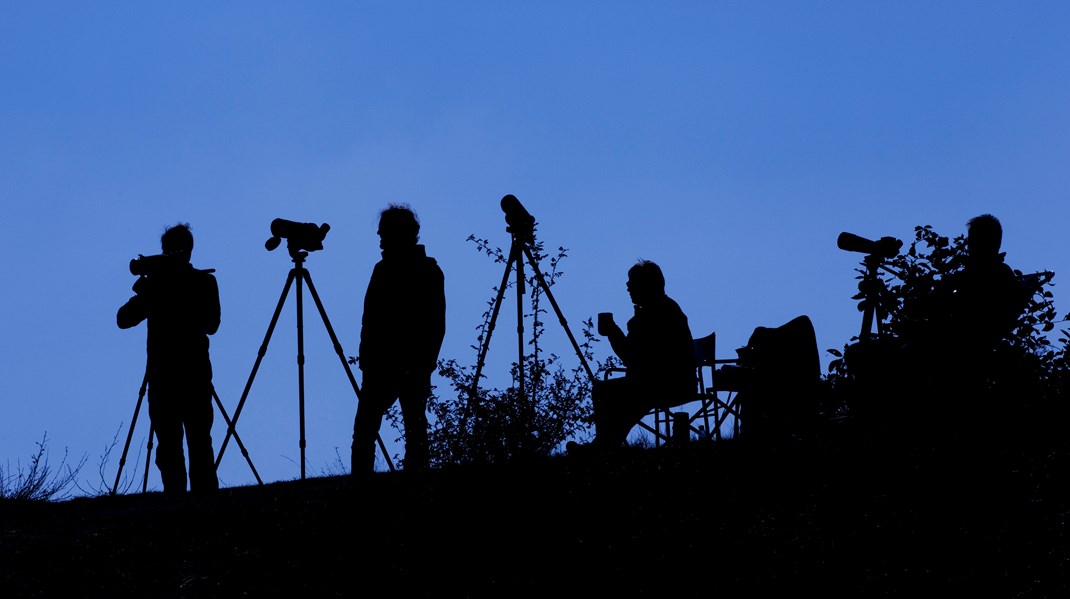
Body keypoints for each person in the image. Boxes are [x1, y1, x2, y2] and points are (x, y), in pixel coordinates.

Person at [117, 223, 221, 494]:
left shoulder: (203, 282)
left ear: (186, 252)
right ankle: (177, 503)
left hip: (190, 376)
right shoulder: (159, 287)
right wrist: (150, 291)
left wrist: (169, 295)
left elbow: (211, 323)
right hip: (167, 378)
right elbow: (123, 319)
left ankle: (204, 503)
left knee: (197, 443)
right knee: (170, 448)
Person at [352, 204, 446, 474]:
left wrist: (425, 362)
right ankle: (364, 487)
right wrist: (367, 359)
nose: (380, 240)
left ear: (401, 234)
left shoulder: (427, 271)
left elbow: (435, 323)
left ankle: (410, 482)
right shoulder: (383, 269)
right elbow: (369, 320)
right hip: (382, 364)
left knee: (409, 428)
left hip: (407, 364)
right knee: (373, 429)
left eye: (384, 234)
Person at [581, 260, 696, 449]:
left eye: (632, 282)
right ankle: (605, 445)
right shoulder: (663, 308)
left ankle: (604, 446)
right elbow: (635, 357)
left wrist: (612, 332)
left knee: (608, 391)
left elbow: (632, 357)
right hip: (668, 381)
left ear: (646, 285)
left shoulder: (655, 314)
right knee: (620, 392)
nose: (627, 286)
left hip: (665, 383)